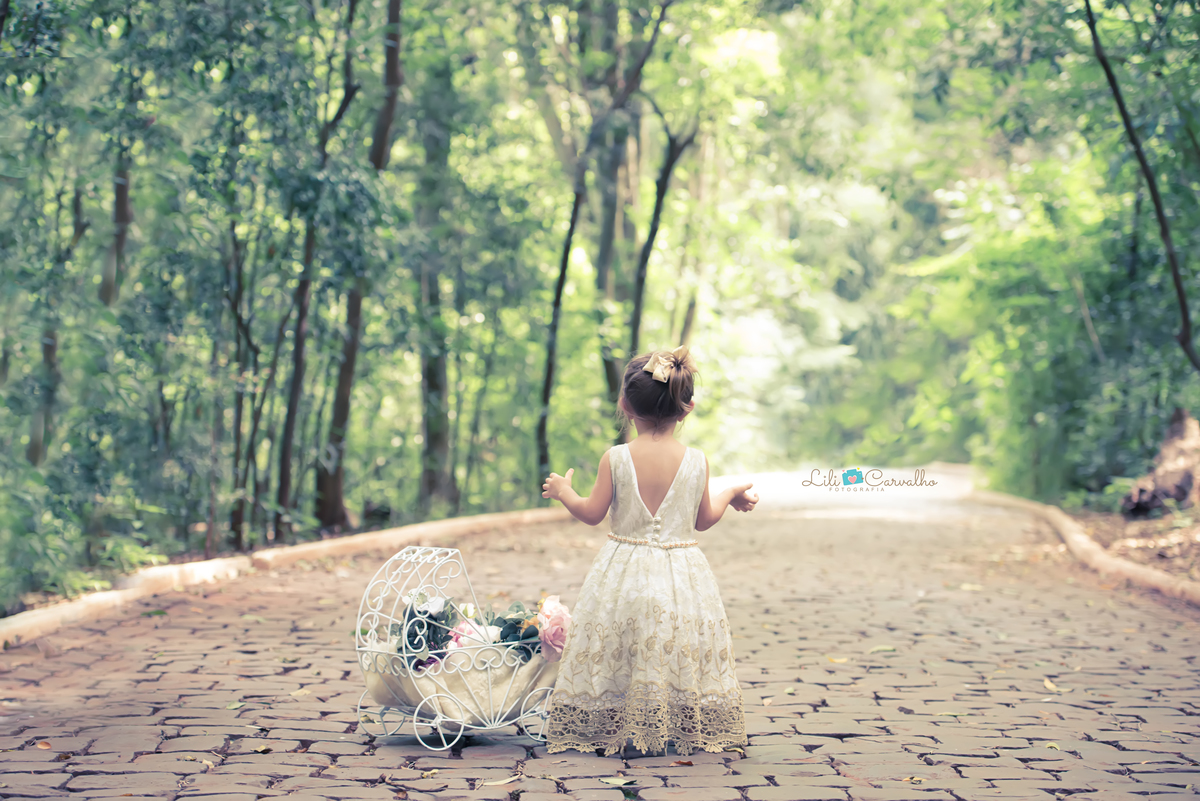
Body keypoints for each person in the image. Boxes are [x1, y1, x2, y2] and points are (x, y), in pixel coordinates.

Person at [539, 346, 758, 757]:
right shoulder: (696, 461)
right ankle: (667, 718)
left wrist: (564, 492)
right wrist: (729, 492)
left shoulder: (617, 458)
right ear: (687, 408)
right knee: (669, 640)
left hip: (623, 569)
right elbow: (703, 520)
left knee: (623, 640)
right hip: (682, 572)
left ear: (624, 404)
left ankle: (616, 719)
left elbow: (592, 513)